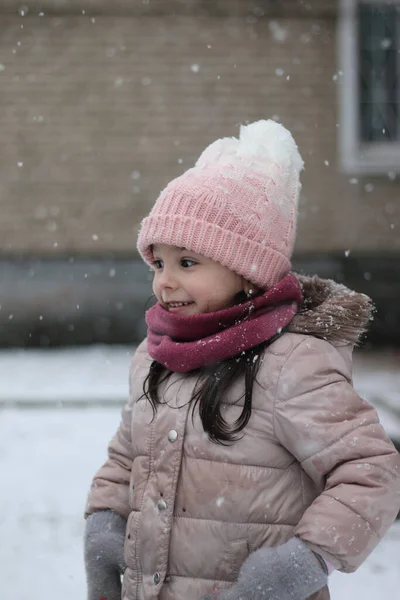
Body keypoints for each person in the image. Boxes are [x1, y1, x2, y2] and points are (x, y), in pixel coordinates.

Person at [83, 119, 400, 600]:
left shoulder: (292, 364)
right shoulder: (155, 358)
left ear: (246, 273)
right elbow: (128, 455)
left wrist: (297, 564)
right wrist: (105, 528)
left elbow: (373, 472)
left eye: (188, 263)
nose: (165, 281)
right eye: (159, 262)